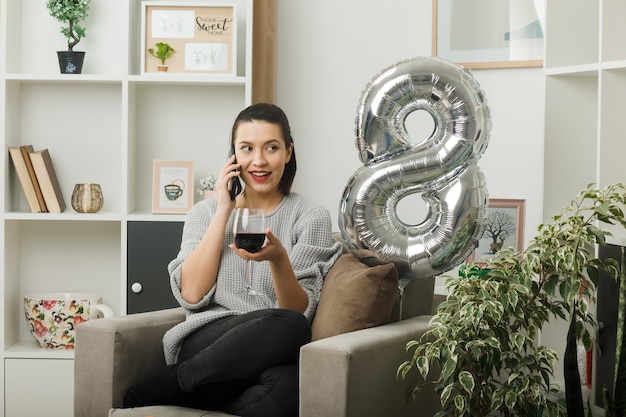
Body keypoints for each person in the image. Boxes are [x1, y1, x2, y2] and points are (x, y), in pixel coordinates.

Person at [123, 103, 343, 417]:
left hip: (269, 346)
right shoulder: (206, 213)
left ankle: (191, 390)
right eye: (247, 148)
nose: (259, 160)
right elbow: (191, 294)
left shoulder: (311, 217)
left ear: (288, 152)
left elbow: (298, 313)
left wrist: (279, 260)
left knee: (290, 378)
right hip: (208, 339)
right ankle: (183, 378)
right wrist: (224, 209)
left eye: (271, 147)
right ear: (234, 156)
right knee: (288, 332)